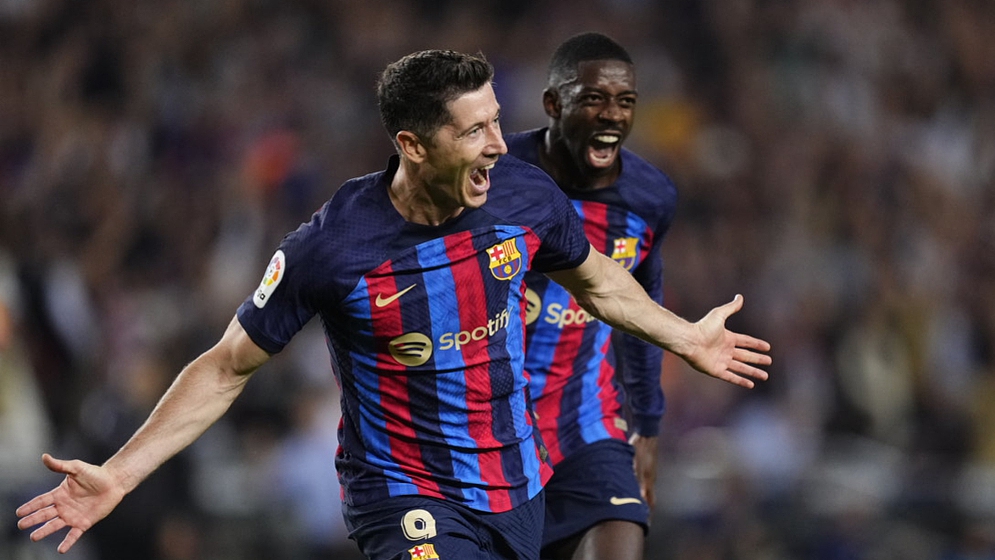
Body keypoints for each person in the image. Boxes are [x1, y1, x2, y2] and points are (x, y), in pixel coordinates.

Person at [15, 49, 771, 560]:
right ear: (412, 144)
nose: (497, 145)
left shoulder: (525, 198)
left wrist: (685, 339)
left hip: (516, 488)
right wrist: (121, 472)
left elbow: (598, 281)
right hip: (402, 491)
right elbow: (225, 367)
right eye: (473, 131)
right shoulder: (333, 247)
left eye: (496, 122)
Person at [503, 32, 678, 560]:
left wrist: (646, 424)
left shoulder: (650, 198)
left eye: (625, 102)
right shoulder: (494, 176)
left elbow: (642, 311)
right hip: (484, 435)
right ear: (553, 105)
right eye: (594, 99)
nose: (612, 116)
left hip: (586, 428)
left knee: (622, 539)